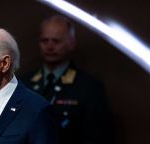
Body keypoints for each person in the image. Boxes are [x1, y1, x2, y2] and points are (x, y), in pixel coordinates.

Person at [21, 15, 115, 144]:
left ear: (71, 44)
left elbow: (96, 137)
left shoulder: (89, 87)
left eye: (56, 41)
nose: (49, 47)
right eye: (44, 41)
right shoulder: (24, 83)